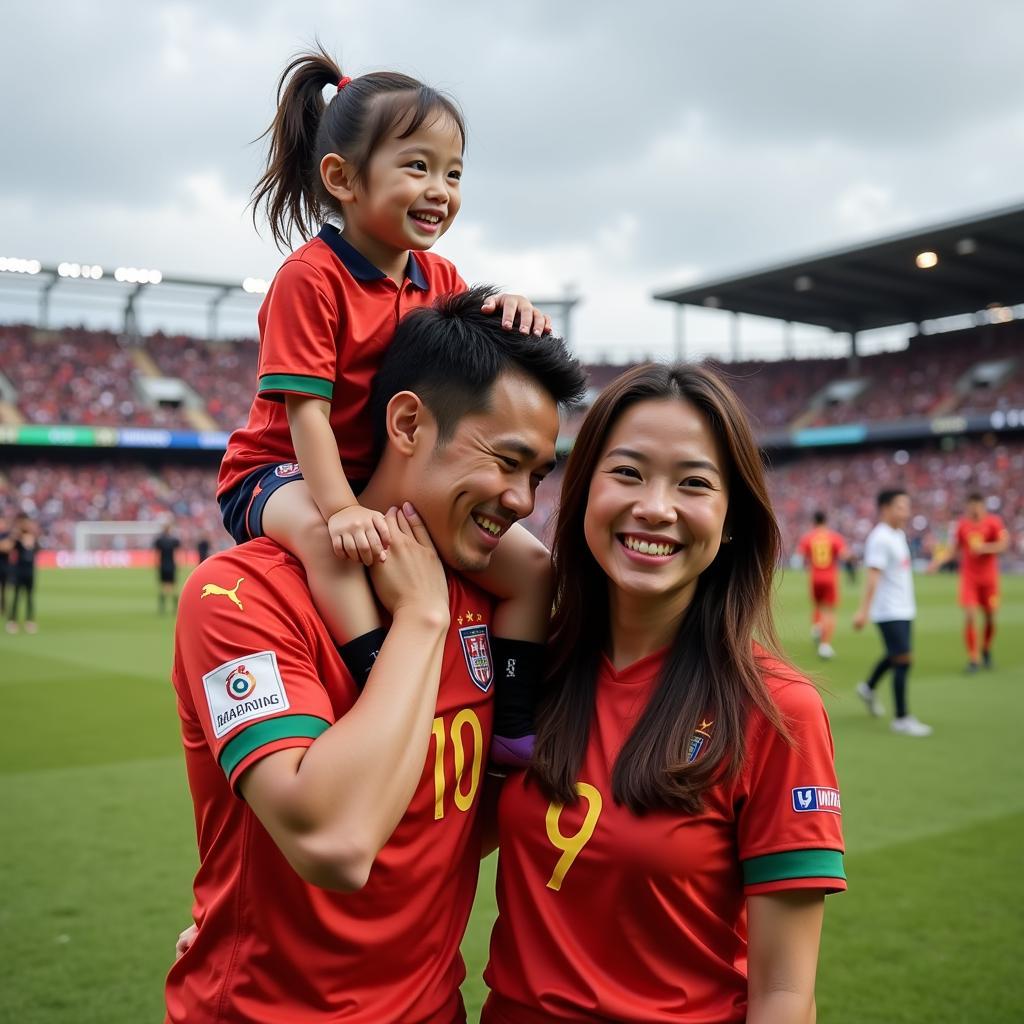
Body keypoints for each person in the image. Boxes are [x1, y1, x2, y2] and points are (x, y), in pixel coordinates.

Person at [166, 290, 587, 1024]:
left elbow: (467, 816)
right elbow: (336, 844)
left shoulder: (500, 603)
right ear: (406, 423)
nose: (522, 500)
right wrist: (421, 619)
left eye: (539, 475)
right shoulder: (238, 595)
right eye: (506, 461)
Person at [216, 48, 552, 763]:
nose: (440, 189)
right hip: (278, 473)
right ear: (340, 178)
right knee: (325, 542)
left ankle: (515, 724)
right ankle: (376, 681)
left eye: (454, 172)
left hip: (374, 479)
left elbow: (479, 335)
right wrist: (342, 512)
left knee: (534, 570)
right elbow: (306, 415)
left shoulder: (442, 275)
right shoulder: (309, 278)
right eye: (417, 166)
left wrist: (512, 305)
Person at [482, 364, 846, 1024]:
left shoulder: (779, 712)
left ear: (731, 517)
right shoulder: (527, 666)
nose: (655, 506)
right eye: (627, 472)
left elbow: (785, 994)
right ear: (584, 490)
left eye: (694, 484)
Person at [853, 489, 932, 737]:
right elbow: (873, 577)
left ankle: (868, 687)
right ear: (885, 508)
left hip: (903, 607)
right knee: (904, 660)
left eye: (907, 507)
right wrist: (863, 611)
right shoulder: (880, 538)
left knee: (896, 655)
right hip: (888, 610)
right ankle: (901, 718)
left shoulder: (898, 534)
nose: (906, 512)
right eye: (900, 507)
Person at [929, 492, 1009, 671]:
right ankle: (974, 658)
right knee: (970, 616)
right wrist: (937, 562)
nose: (974, 508)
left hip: (989, 579)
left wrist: (985, 548)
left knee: (990, 617)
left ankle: (986, 649)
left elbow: (1003, 544)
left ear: (983, 506)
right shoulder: (962, 525)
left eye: (977, 505)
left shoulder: (994, 522)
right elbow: (954, 549)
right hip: (969, 578)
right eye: (971, 505)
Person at [797, 510, 849, 659]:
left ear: (814, 521)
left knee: (818, 606)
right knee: (829, 611)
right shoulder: (834, 537)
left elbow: (799, 556)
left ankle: (816, 627)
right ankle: (825, 645)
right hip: (829, 578)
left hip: (815, 577)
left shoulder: (808, 537)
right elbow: (844, 555)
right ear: (826, 521)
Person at [5, 513, 38, 634]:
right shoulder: (16, 537)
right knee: (16, 596)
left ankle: (30, 620)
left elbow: (37, 550)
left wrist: (32, 541)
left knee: (29, 597)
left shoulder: (32, 536)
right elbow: (9, 548)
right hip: (19, 570)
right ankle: (12, 620)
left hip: (30, 571)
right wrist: (16, 537)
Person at [153, 521, 181, 614]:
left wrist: (156, 564)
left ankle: (162, 608)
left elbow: (157, 554)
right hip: (172, 565)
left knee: (163, 587)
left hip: (162, 566)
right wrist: (179, 564)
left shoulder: (159, 540)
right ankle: (175, 608)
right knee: (174, 587)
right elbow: (177, 554)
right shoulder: (174, 540)